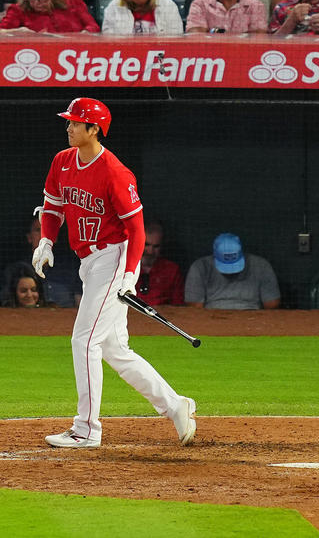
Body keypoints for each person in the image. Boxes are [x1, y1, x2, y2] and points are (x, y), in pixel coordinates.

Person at [33, 97, 197, 448]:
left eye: (76, 123)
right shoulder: (62, 161)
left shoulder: (114, 172)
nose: (69, 127)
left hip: (113, 259)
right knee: (114, 348)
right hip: (88, 262)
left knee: (84, 339)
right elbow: (52, 206)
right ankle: (175, 405)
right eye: (70, 122)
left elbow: (136, 230)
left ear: (94, 129)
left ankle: (86, 429)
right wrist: (46, 241)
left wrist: (129, 275)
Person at [184, 233, 280, 309]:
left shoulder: (261, 265)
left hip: (252, 318)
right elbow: (194, 306)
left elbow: (272, 304)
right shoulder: (200, 266)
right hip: (211, 319)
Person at [136, 221, 184, 306]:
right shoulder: (125, 267)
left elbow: (178, 304)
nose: (150, 251)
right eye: (146, 245)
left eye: (156, 246)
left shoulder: (171, 270)